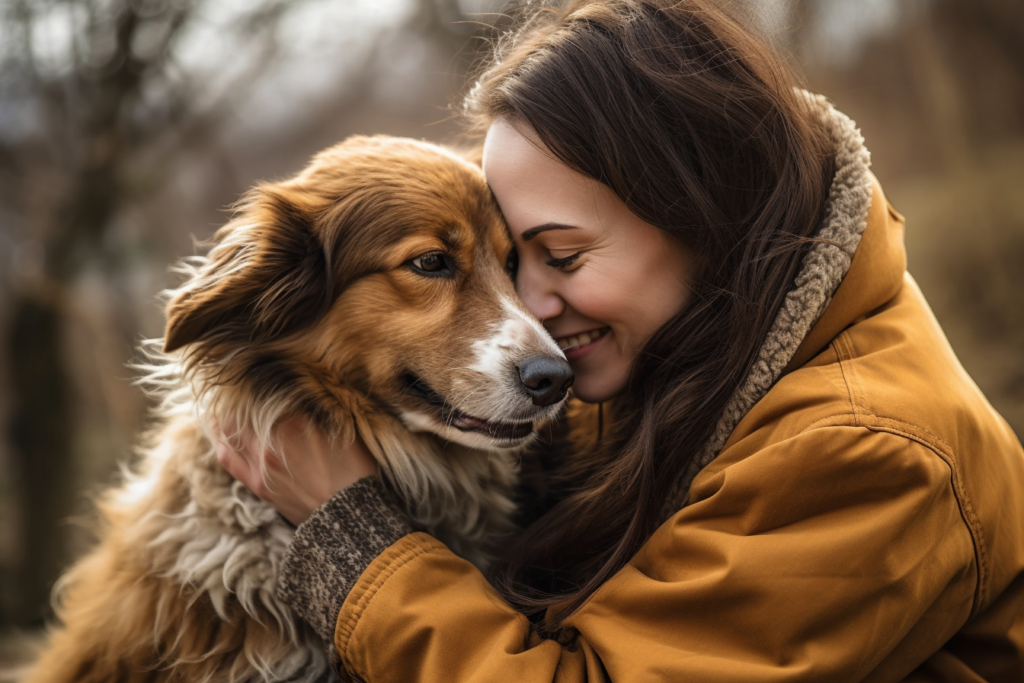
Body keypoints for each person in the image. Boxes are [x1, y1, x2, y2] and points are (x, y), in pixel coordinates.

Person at [215, 1, 1024, 680]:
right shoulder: (681, 349)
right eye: (511, 260)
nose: (531, 308)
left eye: (560, 255)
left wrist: (355, 544)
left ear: (700, 213)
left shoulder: (868, 454)